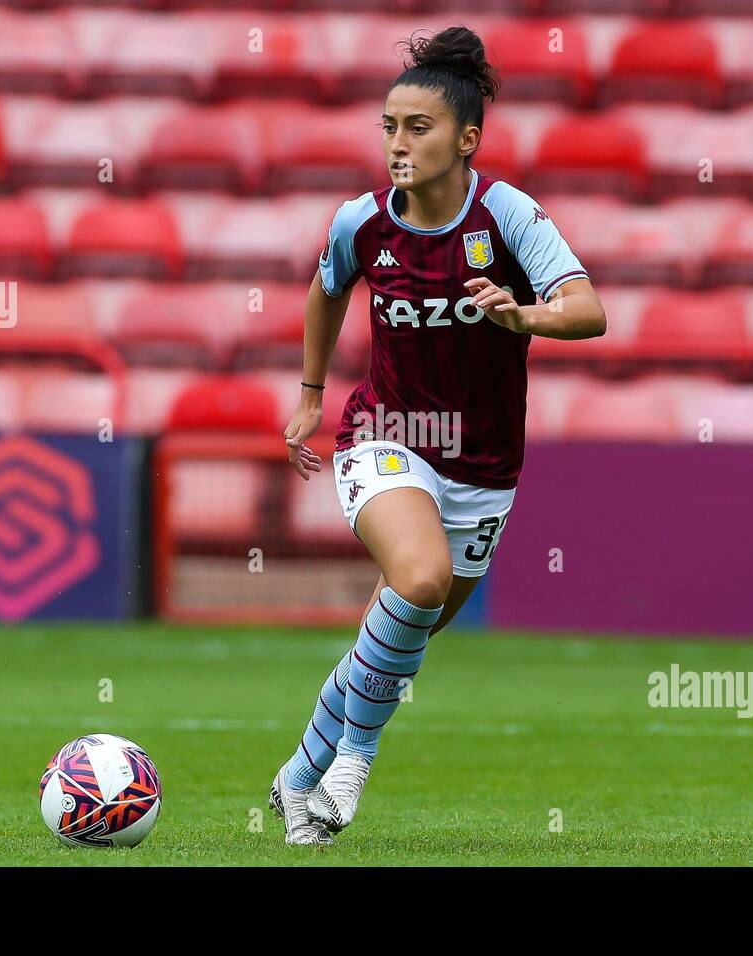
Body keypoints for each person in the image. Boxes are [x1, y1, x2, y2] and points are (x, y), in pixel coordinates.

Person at [271, 25, 606, 845]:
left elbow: (590, 311)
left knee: (399, 634)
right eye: (388, 126)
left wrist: (524, 314)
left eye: (416, 128)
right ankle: (351, 765)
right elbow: (324, 291)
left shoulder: (509, 215)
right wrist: (313, 393)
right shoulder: (362, 222)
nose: (397, 143)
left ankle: (295, 779)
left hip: (486, 468)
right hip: (387, 435)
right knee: (417, 580)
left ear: (467, 138)